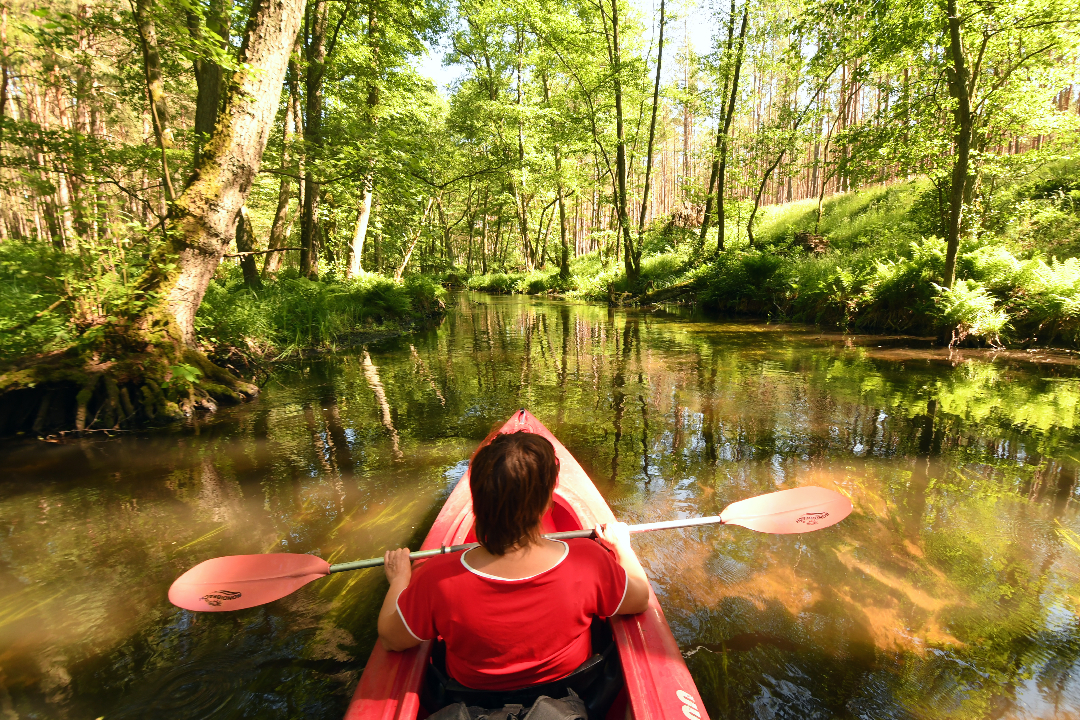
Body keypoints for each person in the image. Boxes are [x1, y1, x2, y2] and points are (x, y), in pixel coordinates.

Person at [376, 430, 650, 694]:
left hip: (472, 698)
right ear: (546, 504)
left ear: (477, 503)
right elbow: (639, 598)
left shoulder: (436, 578)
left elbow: (391, 639)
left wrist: (399, 581)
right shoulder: (589, 561)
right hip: (570, 693)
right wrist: (622, 548)